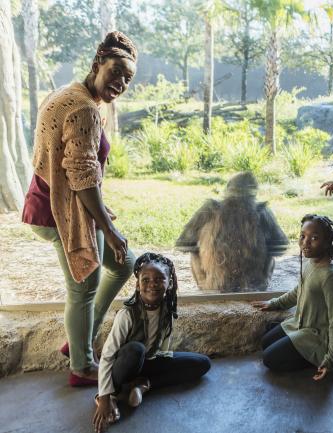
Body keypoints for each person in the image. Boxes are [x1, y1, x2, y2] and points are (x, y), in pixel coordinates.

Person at [21, 31, 138, 386]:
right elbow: (83, 176)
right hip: (58, 211)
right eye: (115, 72)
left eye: (127, 78)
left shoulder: (71, 92)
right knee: (83, 287)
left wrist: (102, 217)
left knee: (124, 264)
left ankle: (77, 341)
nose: (120, 82)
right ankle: (82, 366)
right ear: (96, 65)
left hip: (60, 202)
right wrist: (109, 228)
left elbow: (78, 168)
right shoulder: (84, 107)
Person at [92, 253, 211, 433]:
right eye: (145, 280)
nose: (152, 284)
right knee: (136, 349)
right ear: (138, 285)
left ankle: (143, 384)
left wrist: (167, 363)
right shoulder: (127, 315)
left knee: (202, 363)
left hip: (149, 361)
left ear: (169, 283)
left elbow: (162, 349)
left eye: (159, 279)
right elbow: (108, 356)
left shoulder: (167, 309)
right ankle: (112, 395)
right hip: (124, 367)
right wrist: (104, 396)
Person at [251, 214, 333, 381]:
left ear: (327, 242)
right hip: (301, 323)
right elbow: (298, 291)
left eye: (314, 238)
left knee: (269, 360)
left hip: (317, 334)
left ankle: (319, 358)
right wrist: (274, 304)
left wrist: (331, 360)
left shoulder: (332, 277)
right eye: (303, 236)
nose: (305, 243)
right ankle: (301, 350)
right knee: (265, 342)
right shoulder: (311, 262)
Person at [175, 171, 288, 292]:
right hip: (252, 286)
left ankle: (206, 289)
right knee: (270, 252)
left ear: (228, 189)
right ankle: (259, 286)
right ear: (254, 193)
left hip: (215, 286)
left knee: (194, 253)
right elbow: (280, 246)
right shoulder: (262, 212)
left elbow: (183, 243)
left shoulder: (210, 209)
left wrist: (212, 247)